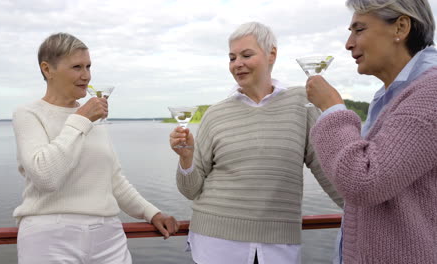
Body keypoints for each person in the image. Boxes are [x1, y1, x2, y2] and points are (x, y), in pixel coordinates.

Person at [169, 22, 344, 264]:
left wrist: (371, 208)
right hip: (216, 244)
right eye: (232, 57)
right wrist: (185, 157)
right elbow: (191, 190)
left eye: (246, 55)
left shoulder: (301, 104)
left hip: (279, 247)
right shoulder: (215, 114)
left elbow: (328, 172)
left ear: (272, 54)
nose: (237, 63)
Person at [12, 32, 179, 264]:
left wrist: (152, 213)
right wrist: (81, 119)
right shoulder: (29, 114)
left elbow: (114, 181)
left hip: (108, 237)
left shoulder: (91, 117)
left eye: (89, 66)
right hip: (50, 237)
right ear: (47, 69)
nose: (86, 76)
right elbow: (46, 177)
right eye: (77, 67)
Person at [305, 0, 437, 263]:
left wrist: (332, 109)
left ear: (400, 27)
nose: (348, 43)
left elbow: (363, 181)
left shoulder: (430, 95)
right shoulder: (390, 97)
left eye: (359, 29)